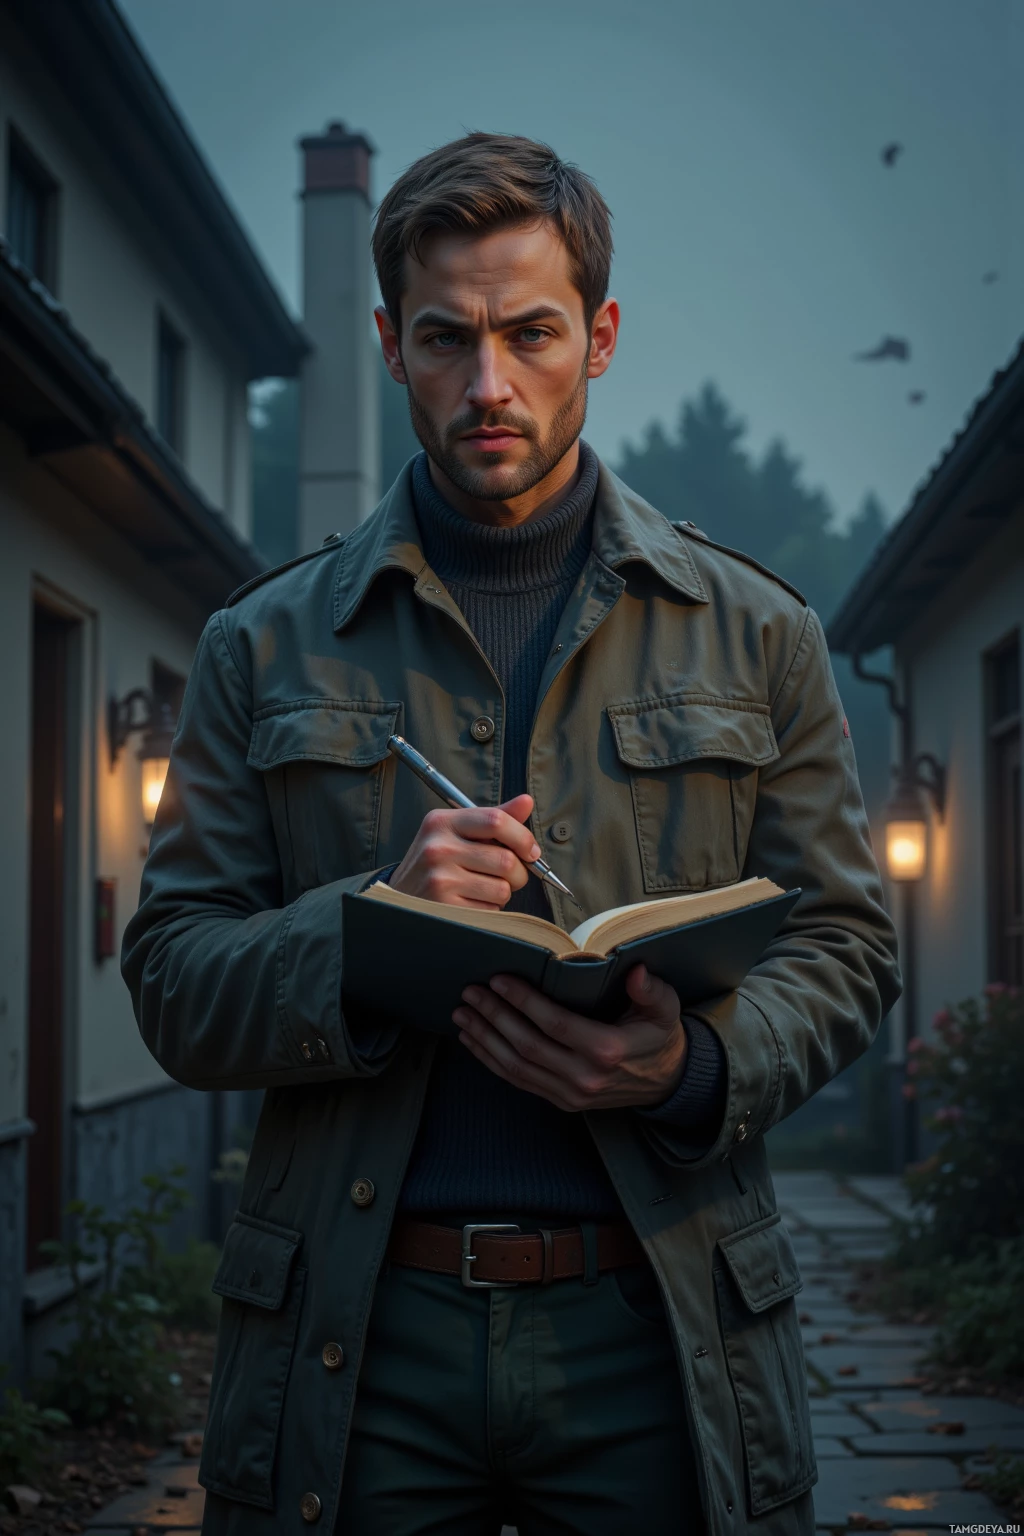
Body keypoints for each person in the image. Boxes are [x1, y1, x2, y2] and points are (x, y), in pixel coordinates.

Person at [122, 132, 900, 1536]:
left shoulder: (761, 631)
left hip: (661, 1328)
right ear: (388, 346)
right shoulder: (262, 643)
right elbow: (173, 976)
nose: (490, 384)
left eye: (531, 333)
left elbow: (848, 945)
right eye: (446, 338)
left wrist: (693, 1065)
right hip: (358, 1341)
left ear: (598, 337)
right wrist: (369, 929)